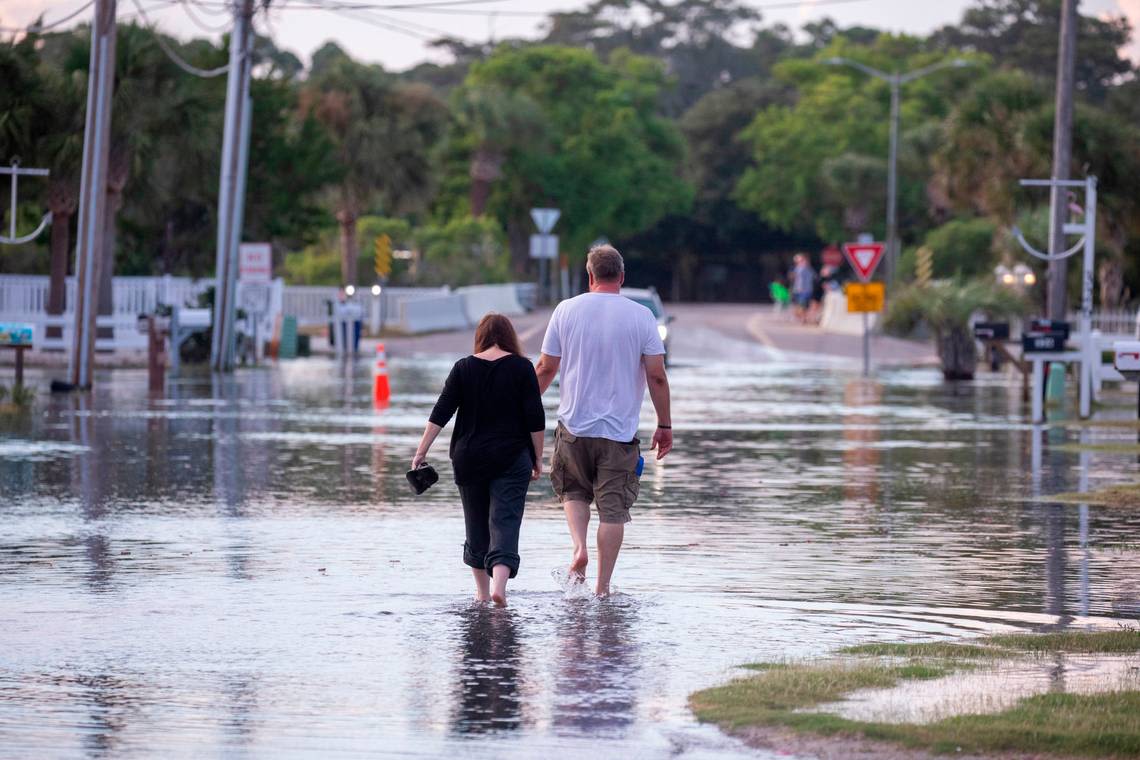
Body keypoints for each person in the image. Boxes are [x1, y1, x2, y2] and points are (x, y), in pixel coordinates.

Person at [534, 244, 673, 597]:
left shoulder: (566, 310)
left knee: (574, 491)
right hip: (619, 434)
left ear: (590, 276)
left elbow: (546, 368)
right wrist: (664, 425)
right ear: (622, 278)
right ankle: (602, 589)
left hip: (574, 429)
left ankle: (579, 548)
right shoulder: (642, 317)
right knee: (612, 512)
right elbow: (657, 376)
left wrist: (521, 408)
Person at [413, 314, 545, 607]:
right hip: (512, 457)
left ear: (480, 337)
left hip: (469, 457)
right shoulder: (522, 368)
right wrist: (538, 458)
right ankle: (500, 588)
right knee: (505, 522)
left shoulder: (463, 367)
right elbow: (536, 418)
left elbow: (441, 411)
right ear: (511, 337)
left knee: (476, 526)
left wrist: (422, 451)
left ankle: (482, 595)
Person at [790, 254, 817, 324]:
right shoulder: (797, 269)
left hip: (806, 290)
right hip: (798, 290)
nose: (803, 262)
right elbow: (792, 278)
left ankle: (804, 318)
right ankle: (802, 317)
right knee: (799, 306)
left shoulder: (809, 269)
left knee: (804, 305)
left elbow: (815, 277)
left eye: (803, 261)